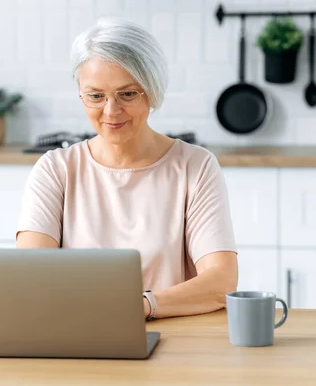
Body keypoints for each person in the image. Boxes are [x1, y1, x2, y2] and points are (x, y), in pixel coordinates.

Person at [16, 18, 238, 320]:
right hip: (77, 334)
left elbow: (221, 282)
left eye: (128, 94)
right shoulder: (56, 170)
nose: (111, 111)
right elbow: (28, 278)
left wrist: (140, 306)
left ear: (153, 89)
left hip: (173, 337)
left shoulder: (194, 167)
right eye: (96, 96)